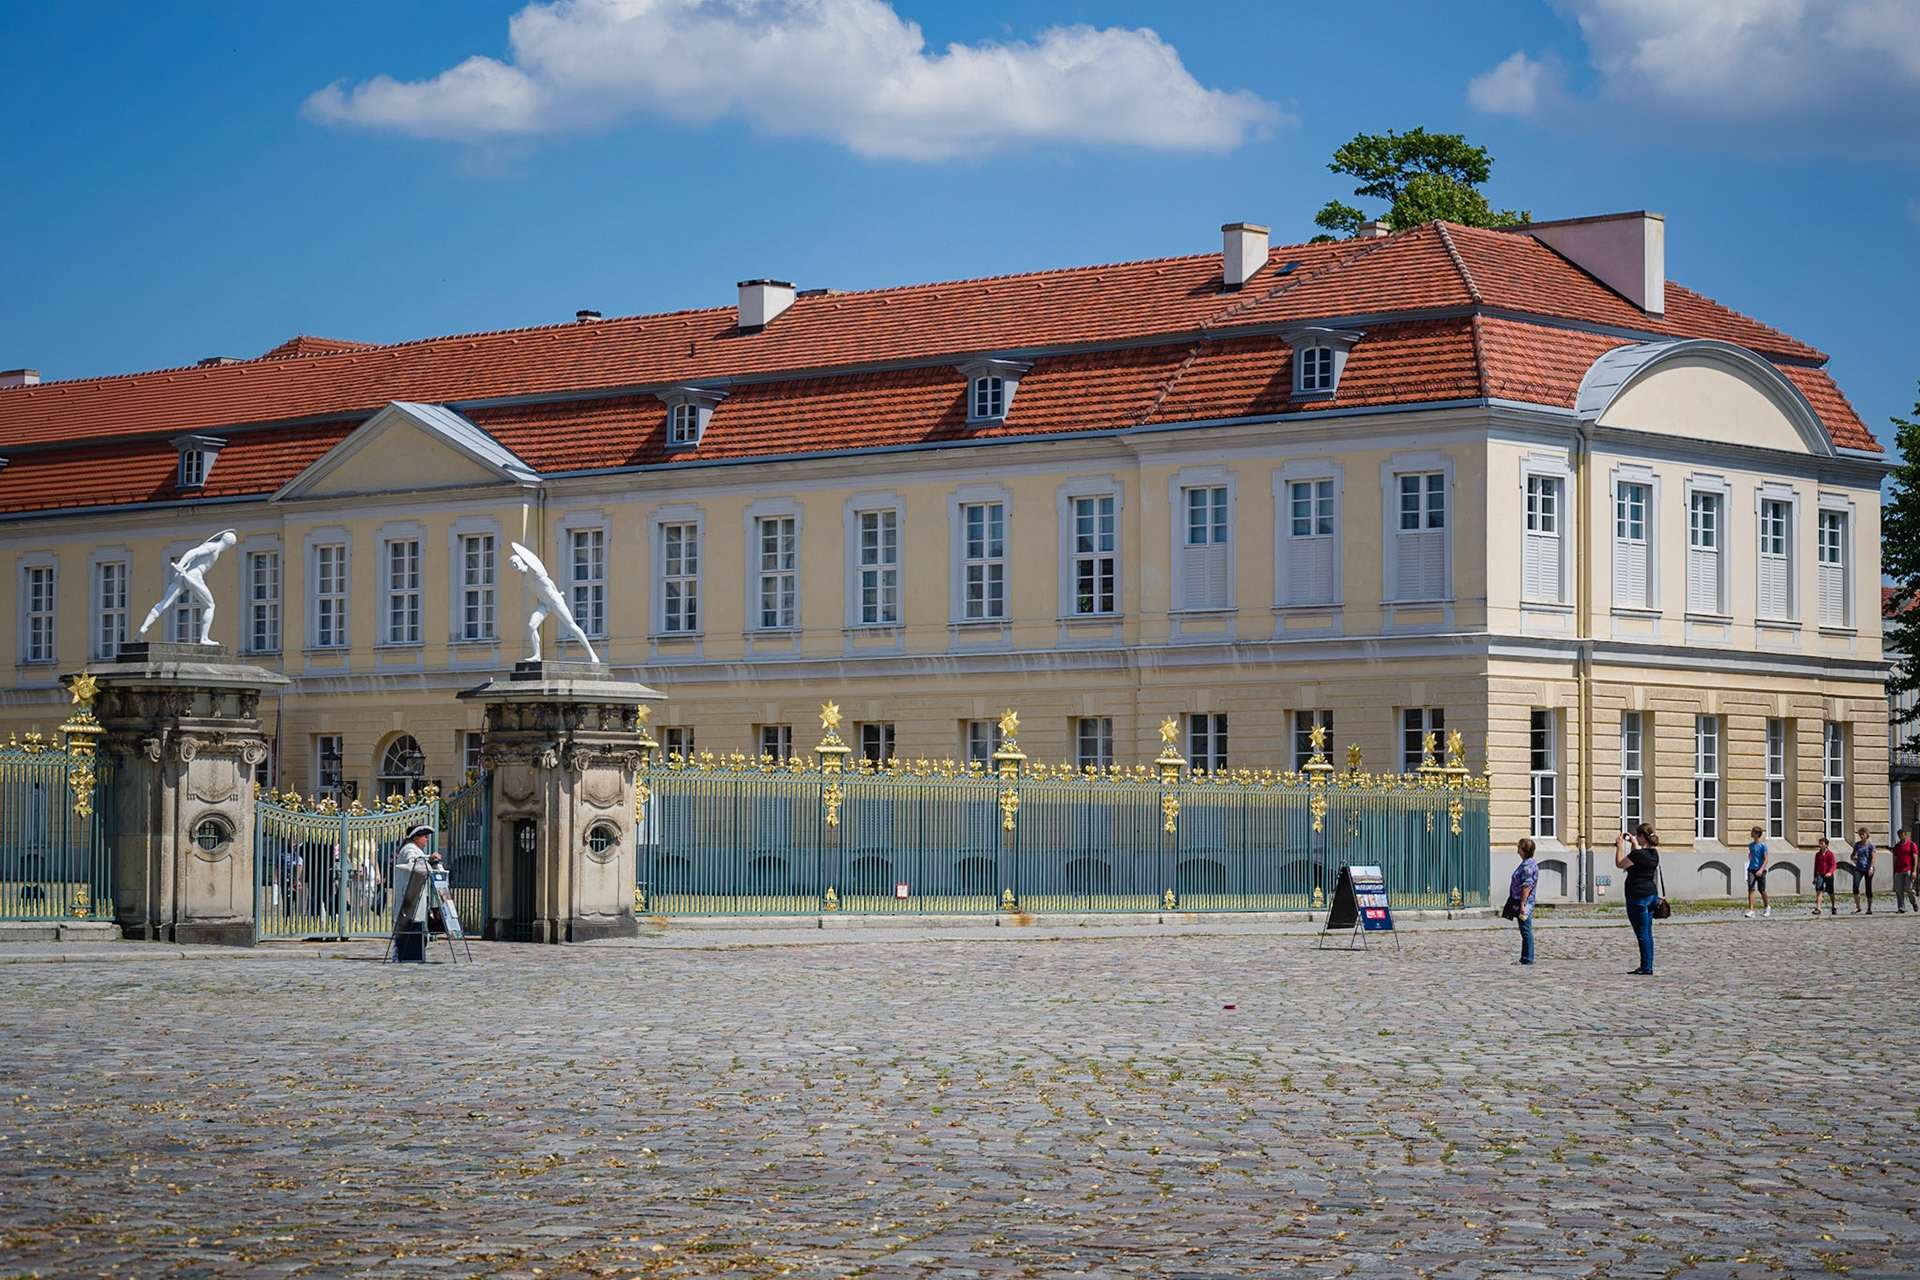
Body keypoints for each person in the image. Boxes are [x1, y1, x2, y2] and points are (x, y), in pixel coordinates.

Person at [137, 529, 237, 645]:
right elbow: (192, 552)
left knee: (163, 603)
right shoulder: (213, 547)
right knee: (210, 606)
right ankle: (204, 638)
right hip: (194, 576)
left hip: (181, 576)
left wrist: (181, 567)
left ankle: (143, 628)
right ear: (229, 544)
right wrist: (180, 564)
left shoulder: (214, 547)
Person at [1615, 824, 1660, 976]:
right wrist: (1633, 843)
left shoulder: (1639, 855)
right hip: (1651, 894)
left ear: (1642, 836)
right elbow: (1637, 858)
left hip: (1637, 896)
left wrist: (1619, 846)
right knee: (1647, 932)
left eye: (1637, 835)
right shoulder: (1654, 853)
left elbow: (1620, 863)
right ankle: (1648, 964)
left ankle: (1646, 967)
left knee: (1642, 933)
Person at [390, 824, 435, 963]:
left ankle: (413, 950)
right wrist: (430, 860)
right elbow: (414, 864)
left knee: (415, 921)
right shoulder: (409, 849)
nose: (427, 839)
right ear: (416, 838)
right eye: (425, 837)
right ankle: (401, 951)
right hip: (409, 893)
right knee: (407, 922)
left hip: (415, 892)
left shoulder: (415, 849)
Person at [1510, 838, 1539, 965]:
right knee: (1525, 929)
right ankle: (1525, 957)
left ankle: (1527, 958)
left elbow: (1527, 886)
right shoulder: (1528, 863)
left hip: (1525, 903)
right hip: (1523, 901)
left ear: (1523, 850)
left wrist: (1522, 903)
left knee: (1526, 930)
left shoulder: (1527, 866)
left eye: (1519, 847)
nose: (1517, 849)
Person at [1744, 826, 1770, 918]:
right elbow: (1751, 855)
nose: (1751, 833)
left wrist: (1761, 870)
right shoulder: (1751, 845)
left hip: (1761, 870)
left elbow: (1766, 859)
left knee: (1762, 890)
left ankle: (1766, 907)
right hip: (1751, 869)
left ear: (1757, 834)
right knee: (1751, 889)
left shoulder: (1763, 846)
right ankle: (1751, 910)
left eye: (1753, 832)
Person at [1892, 828, 1919, 914]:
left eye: (1902, 836)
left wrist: (1914, 871)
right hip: (1899, 870)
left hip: (1908, 869)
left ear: (1906, 835)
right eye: (1899, 836)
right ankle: (1901, 907)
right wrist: (1894, 871)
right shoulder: (1897, 846)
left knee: (1909, 888)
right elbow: (1895, 859)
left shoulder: (1911, 845)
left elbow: (1915, 858)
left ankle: (1914, 902)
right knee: (1898, 889)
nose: (1901, 838)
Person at [1851, 826, 1876, 915]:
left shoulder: (1871, 845)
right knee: (1855, 885)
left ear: (1867, 835)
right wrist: (1854, 857)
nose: (1861, 836)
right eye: (1860, 834)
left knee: (1868, 888)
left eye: (1863, 834)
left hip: (1868, 868)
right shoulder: (1857, 845)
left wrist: (1871, 868)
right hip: (1859, 867)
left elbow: (1873, 857)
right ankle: (1857, 906)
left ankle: (1869, 908)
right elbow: (1852, 855)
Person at [1812, 837, 1838, 916]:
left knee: (1830, 891)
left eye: (1822, 843)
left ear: (1826, 845)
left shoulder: (1830, 854)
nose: (1820, 845)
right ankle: (1818, 908)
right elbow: (1816, 866)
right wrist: (1815, 877)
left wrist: (1830, 872)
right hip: (1820, 874)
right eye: (1820, 843)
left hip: (1828, 874)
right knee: (1819, 889)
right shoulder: (1818, 855)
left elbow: (1834, 865)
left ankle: (1834, 906)